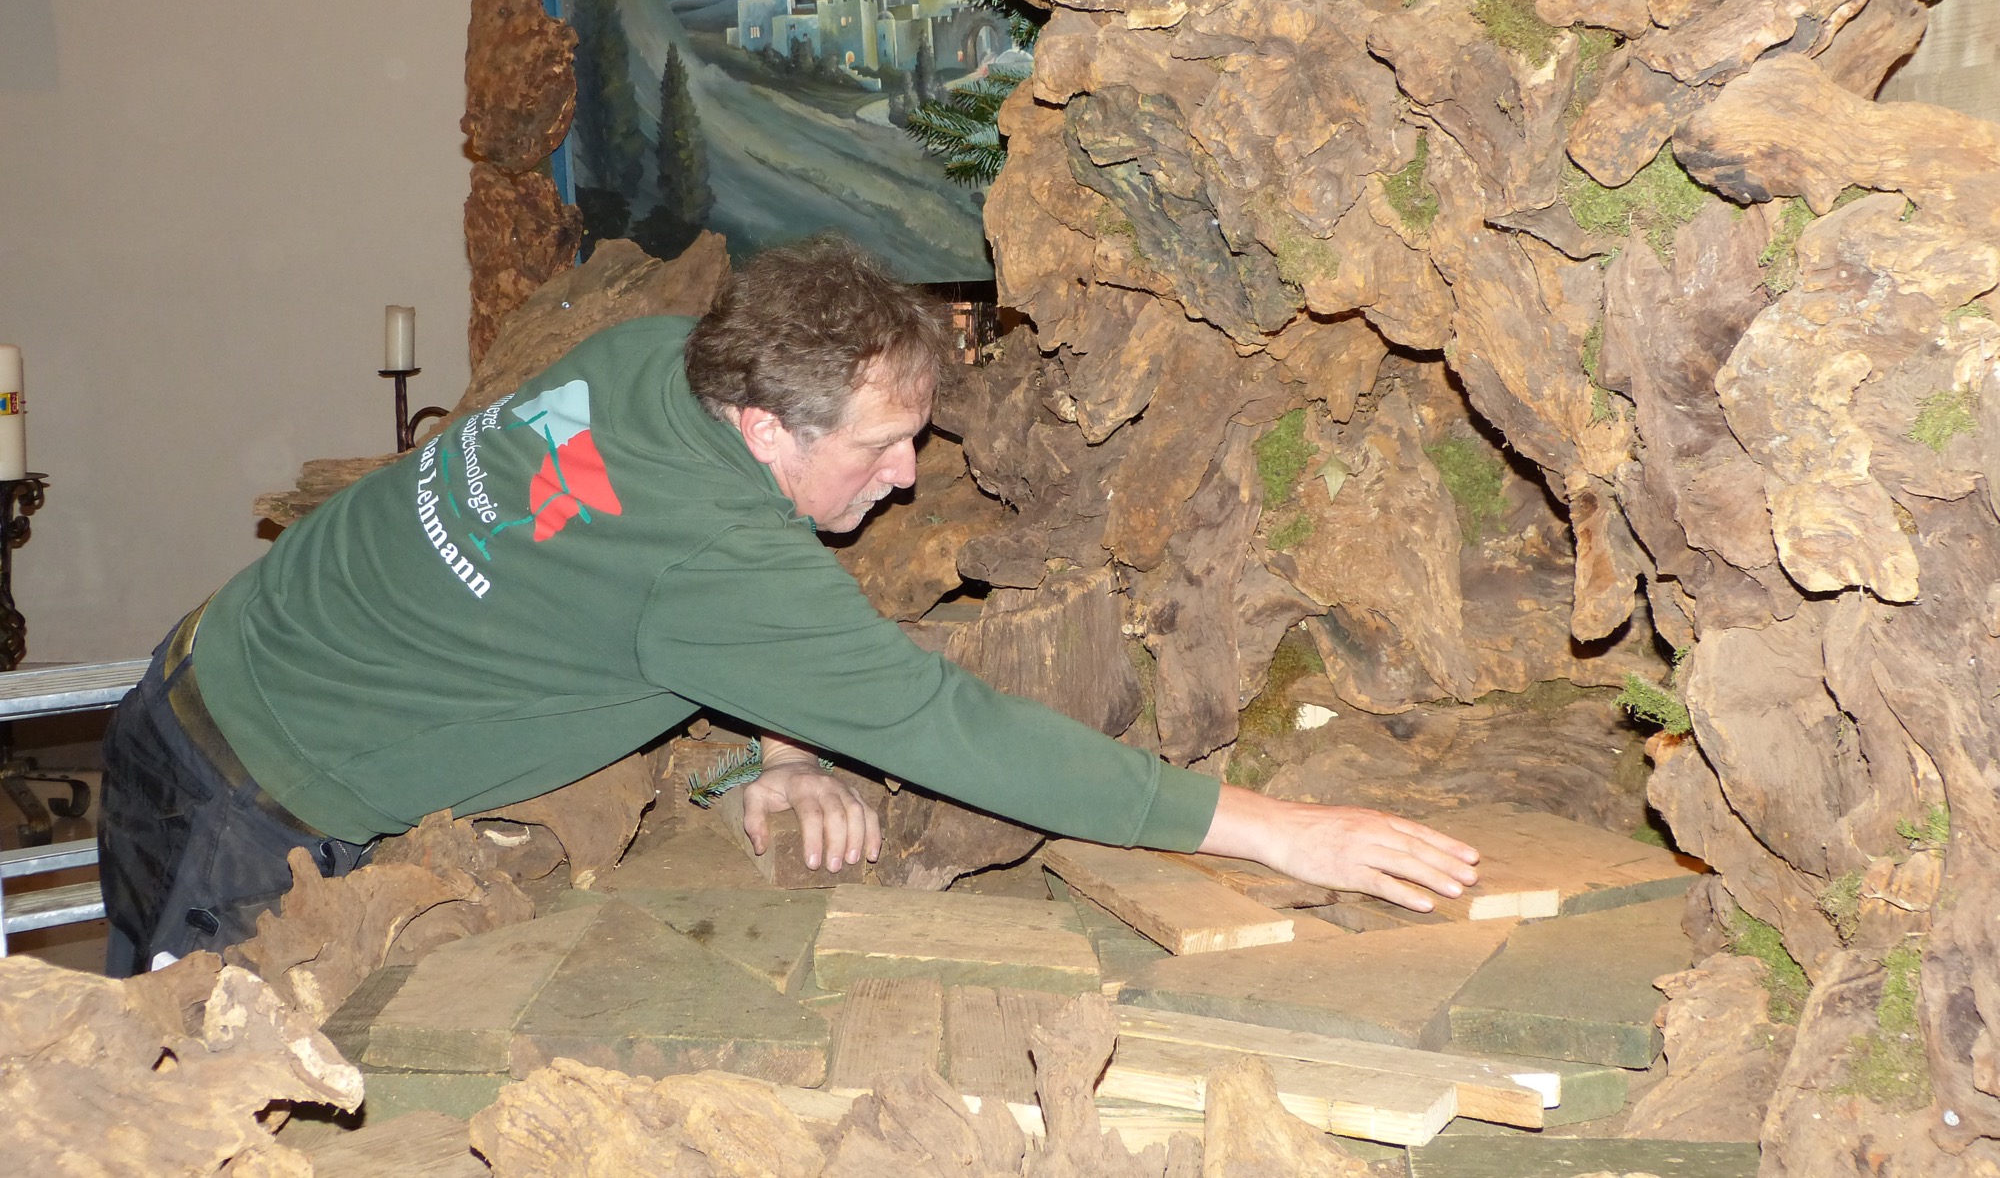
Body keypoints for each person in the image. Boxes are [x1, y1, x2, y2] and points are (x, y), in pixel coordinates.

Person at [99, 238, 1476, 975]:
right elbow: (959, 730)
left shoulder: (656, 358)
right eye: (880, 446)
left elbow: (675, 586)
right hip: (234, 801)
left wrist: (785, 744)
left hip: (218, 656)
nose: (908, 474)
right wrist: (1282, 833)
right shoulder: (713, 562)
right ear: (762, 426)